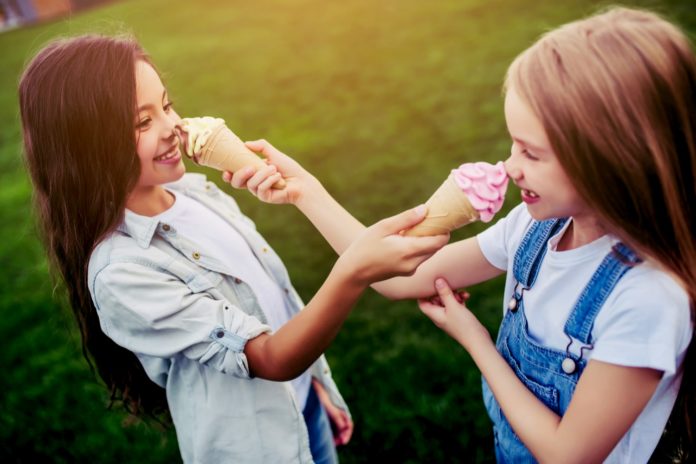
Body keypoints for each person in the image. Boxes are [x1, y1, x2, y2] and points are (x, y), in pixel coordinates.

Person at [226, 7, 695, 462]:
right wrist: (306, 192)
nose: (512, 167)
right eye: (513, 143)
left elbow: (566, 453)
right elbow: (396, 277)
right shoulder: (535, 229)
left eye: (531, 153)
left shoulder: (648, 299)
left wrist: (476, 341)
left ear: (610, 160)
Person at [18, 34, 448, 464]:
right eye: (141, 123)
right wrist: (352, 272)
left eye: (166, 106)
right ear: (87, 149)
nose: (172, 128)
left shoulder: (196, 191)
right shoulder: (122, 272)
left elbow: (271, 300)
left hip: (301, 411)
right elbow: (269, 358)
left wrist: (315, 381)